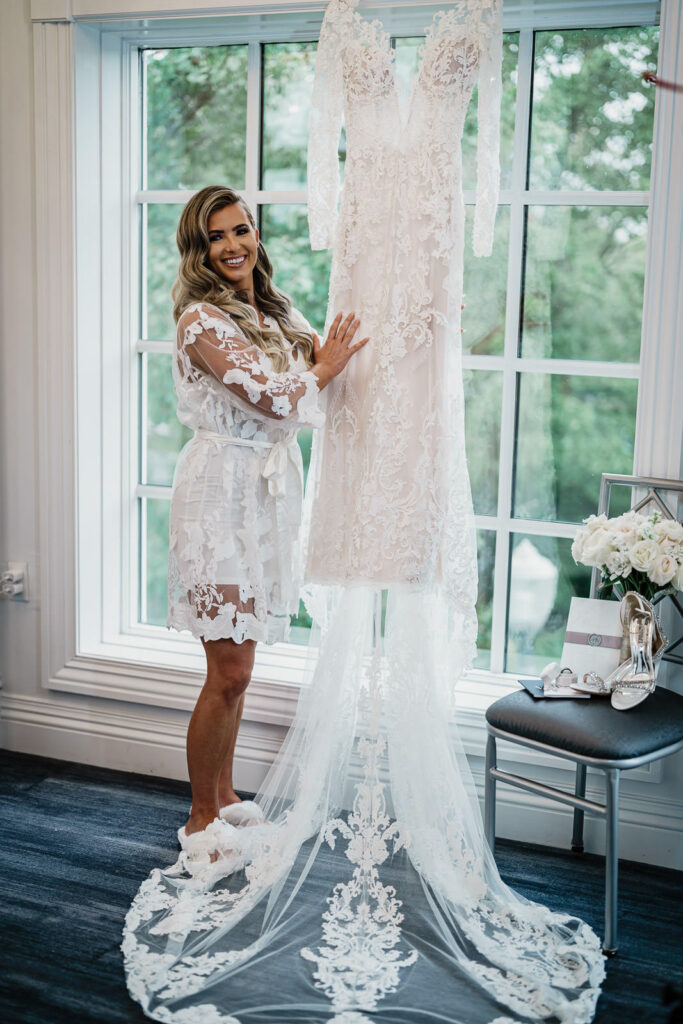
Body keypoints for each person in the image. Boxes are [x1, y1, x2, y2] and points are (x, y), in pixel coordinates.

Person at [166, 185, 369, 850]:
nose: (232, 246)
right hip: (219, 495)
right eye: (215, 237)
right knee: (227, 669)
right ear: (198, 250)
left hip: (266, 498)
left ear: (255, 233)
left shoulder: (274, 308)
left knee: (241, 665)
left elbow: (332, 353)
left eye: (240, 230)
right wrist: (323, 369)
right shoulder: (201, 322)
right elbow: (277, 399)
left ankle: (225, 798)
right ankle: (199, 817)